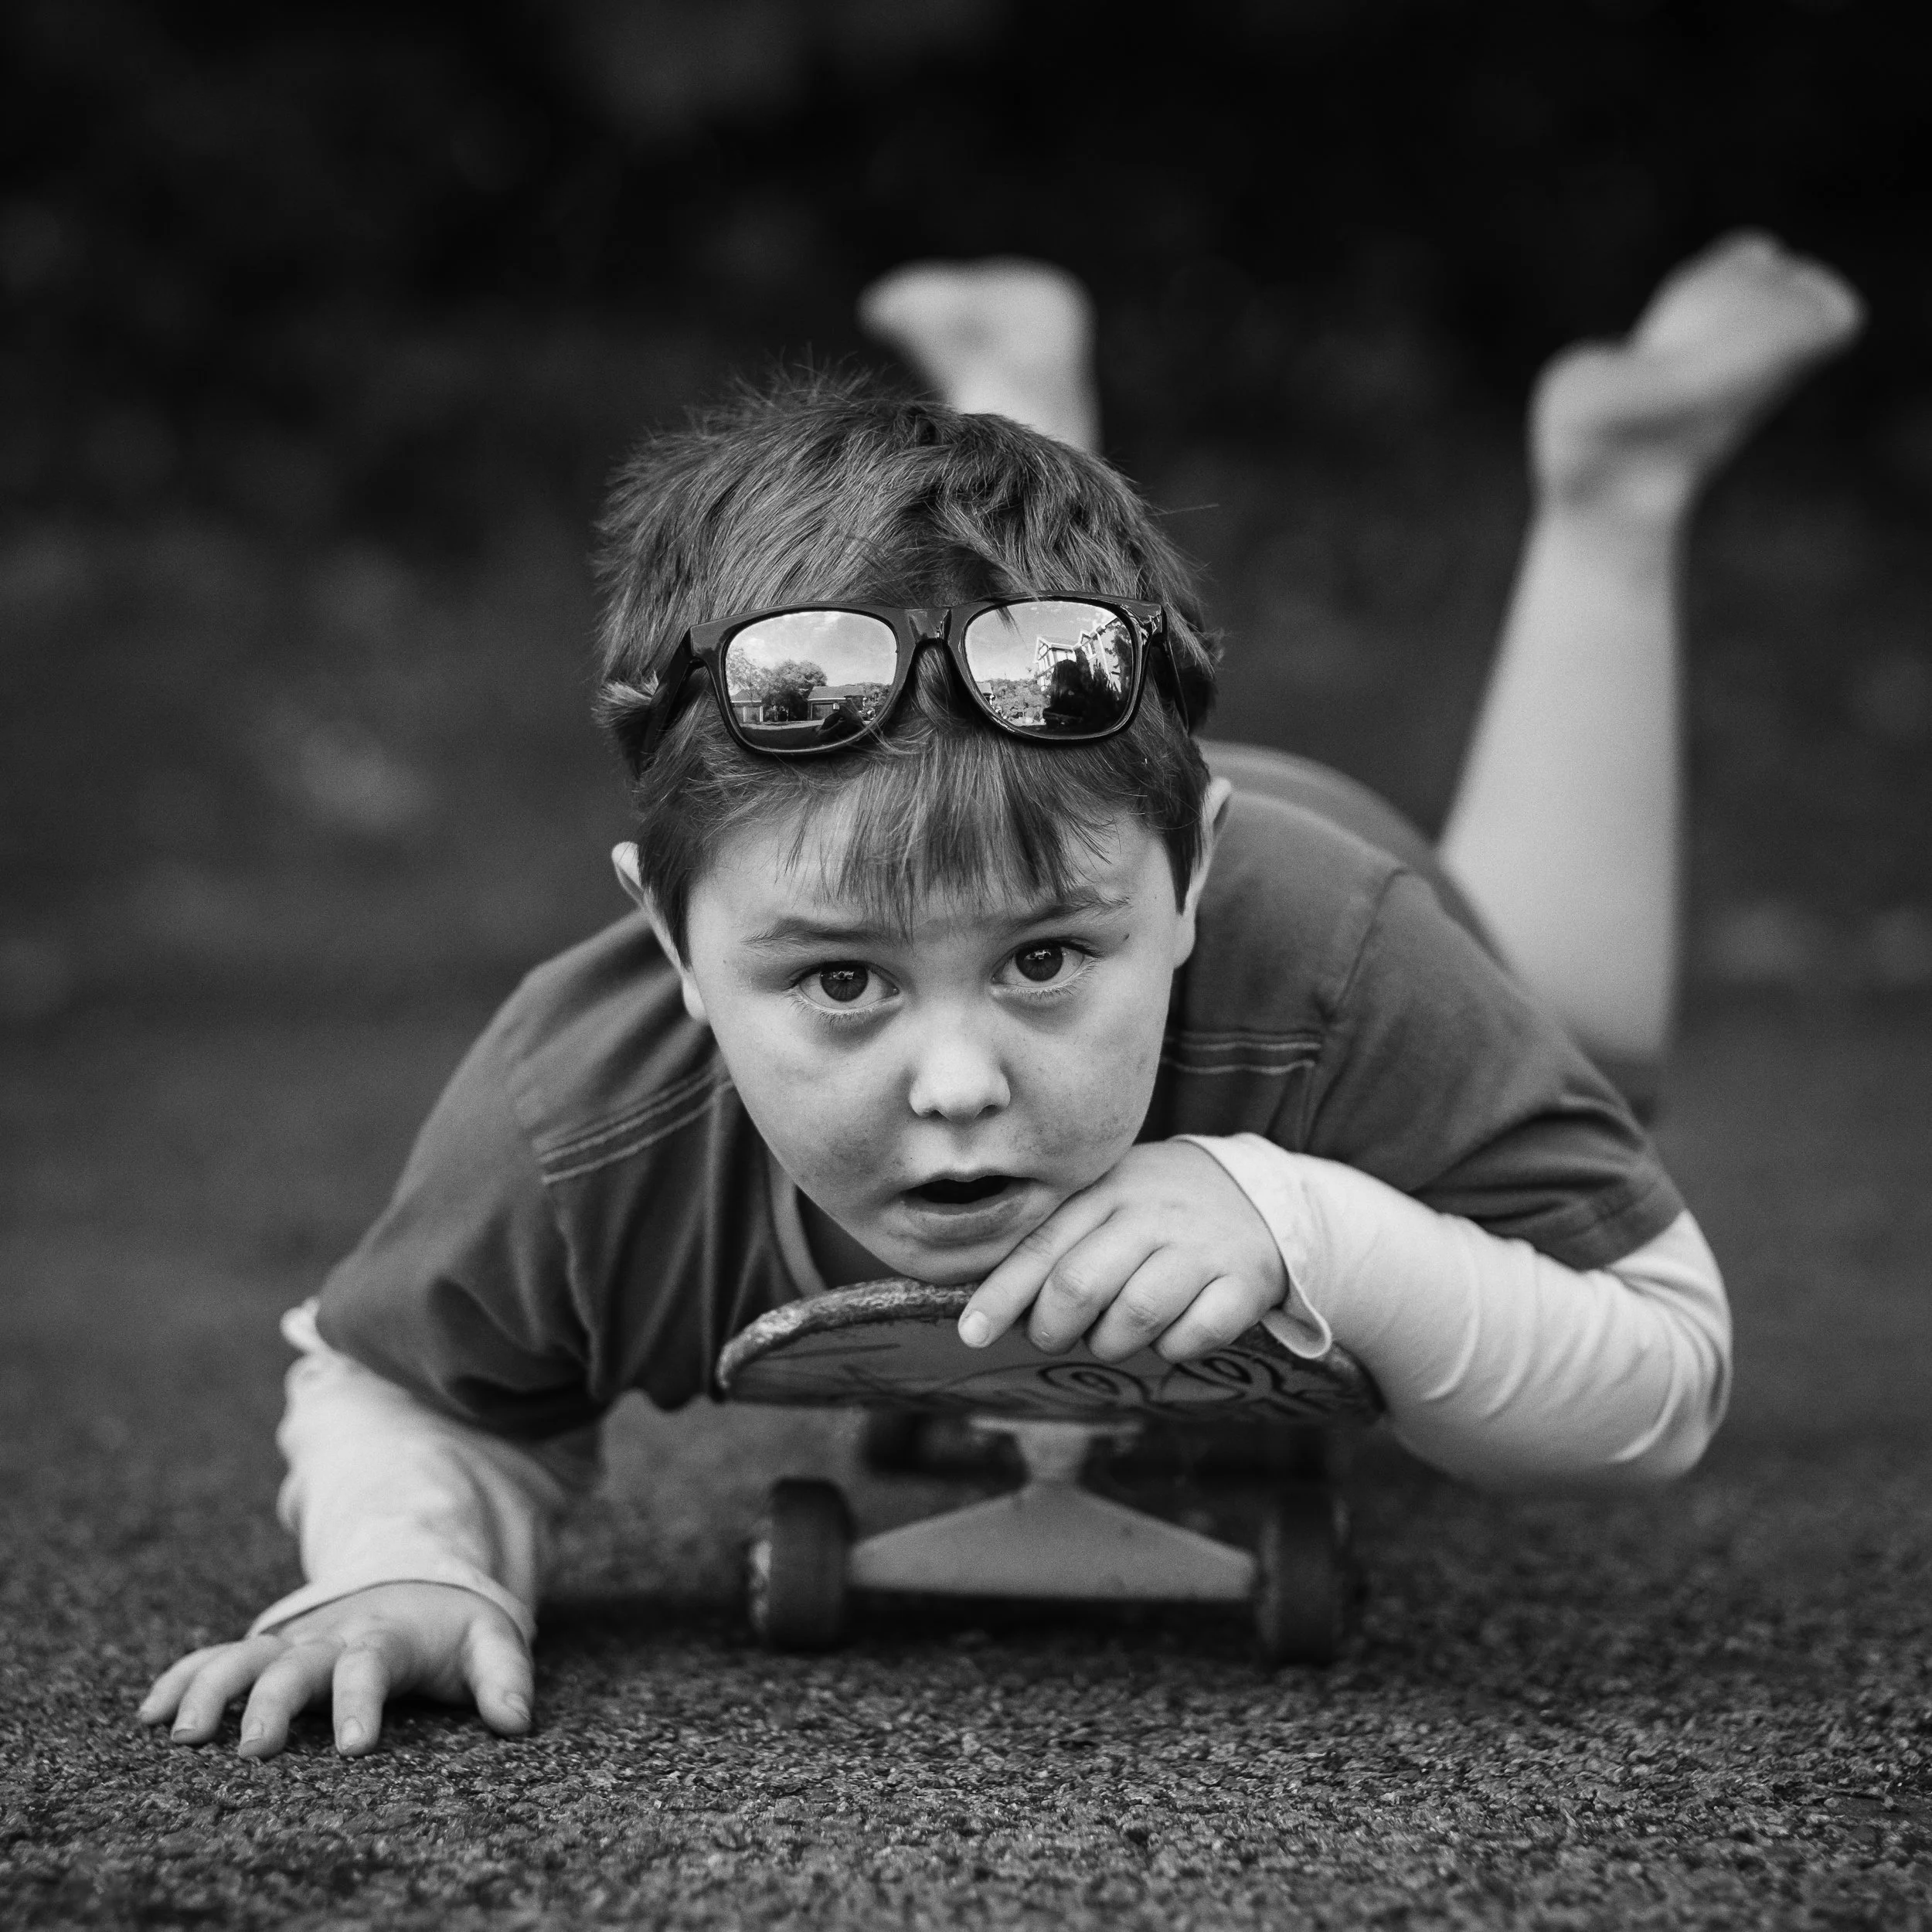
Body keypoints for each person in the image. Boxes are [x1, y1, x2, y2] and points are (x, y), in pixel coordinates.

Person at [140, 233, 1861, 1762]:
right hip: (1061, 809)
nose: (954, 1080)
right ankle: (1016, 403)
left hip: (1278, 852)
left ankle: (1611, 497)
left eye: (1040, 969)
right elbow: (393, 1380)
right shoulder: (588, 1099)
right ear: (669, 947)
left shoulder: (1319, 962)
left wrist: (1310, 1222)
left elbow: (1659, 1363)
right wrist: (401, 1563)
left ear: (1184, 884)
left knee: (1589, 1053)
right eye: (836, 983)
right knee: (1010, 746)